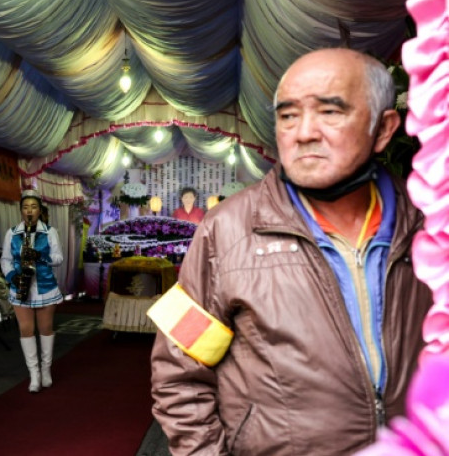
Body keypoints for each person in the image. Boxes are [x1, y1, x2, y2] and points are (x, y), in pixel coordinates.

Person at [149, 48, 432, 455]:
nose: (303, 133)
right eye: (287, 115)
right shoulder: (224, 231)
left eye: (330, 112)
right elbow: (177, 374)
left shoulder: (429, 228)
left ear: (383, 128)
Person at [0, 189, 64, 393]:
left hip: (45, 286)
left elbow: (59, 258)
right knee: (26, 330)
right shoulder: (12, 232)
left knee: (45, 329)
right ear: (20, 210)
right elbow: (5, 259)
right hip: (21, 286)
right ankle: (34, 374)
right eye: (25, 207)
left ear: (40, 210)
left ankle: (46, 370)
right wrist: (12, 277)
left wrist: (40, 256)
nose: (29, 211)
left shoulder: (50, 231)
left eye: (33, 207)